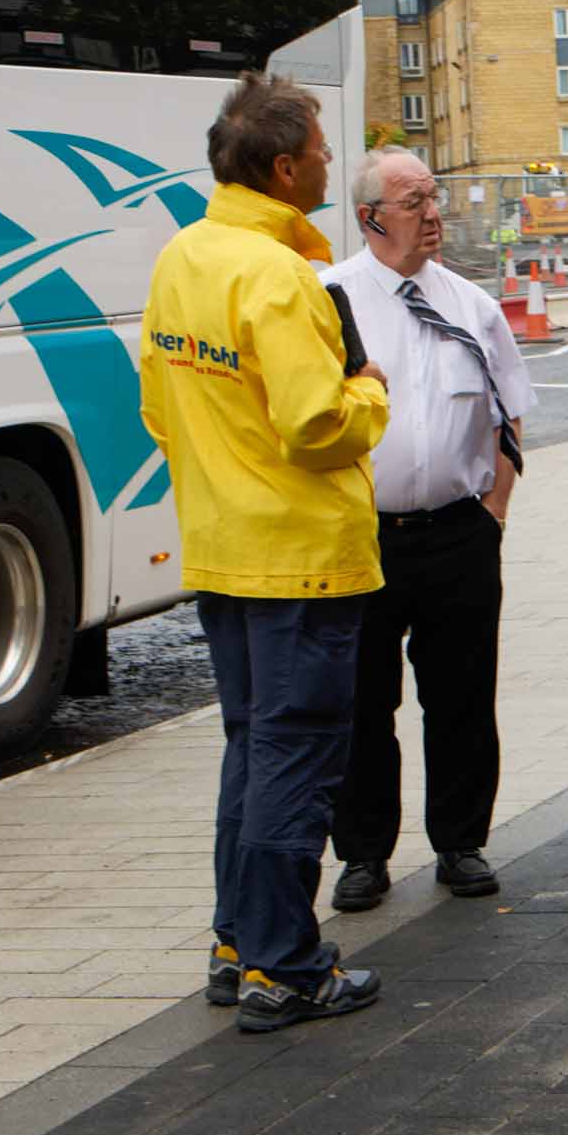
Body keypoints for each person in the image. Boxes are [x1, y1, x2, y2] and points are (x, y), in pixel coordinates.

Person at [137, 72, 390, 1033]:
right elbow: (317, 420)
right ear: (286, 168)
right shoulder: (280, 274)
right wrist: (371, 389)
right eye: (323, 148)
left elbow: (160, 408)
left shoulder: (182, 257)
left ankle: (238, 942)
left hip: (220, 550)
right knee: (295, 761)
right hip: (301, 559)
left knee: (251, 752)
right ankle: (285, 967)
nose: (332, 159)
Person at [323, 148, 533, 912]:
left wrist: (494, 512)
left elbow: (508, 416)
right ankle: (363, 854)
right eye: (414, 200)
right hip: (361, 539)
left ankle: (460, 841)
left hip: (458, 534)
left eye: (434, 197)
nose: (433, 212)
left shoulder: (471, 303)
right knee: (359, 702)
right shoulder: (329, 298)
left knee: (462, 697)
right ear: (370, 216)